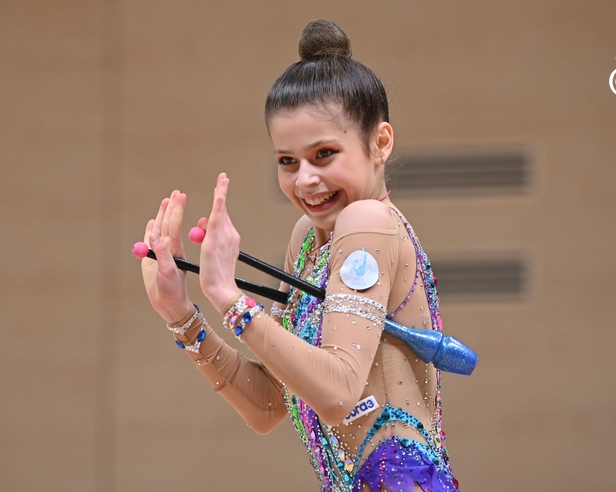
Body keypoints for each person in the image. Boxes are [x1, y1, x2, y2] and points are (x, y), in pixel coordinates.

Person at [139, 19, 460, 492]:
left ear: (380, 143)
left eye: (324, 154)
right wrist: (181, 313)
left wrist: (229, 297)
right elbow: (270, 403)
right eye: (287, 161)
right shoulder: (309, 241)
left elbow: (337, 393)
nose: (305, 179)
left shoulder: (366, 220)